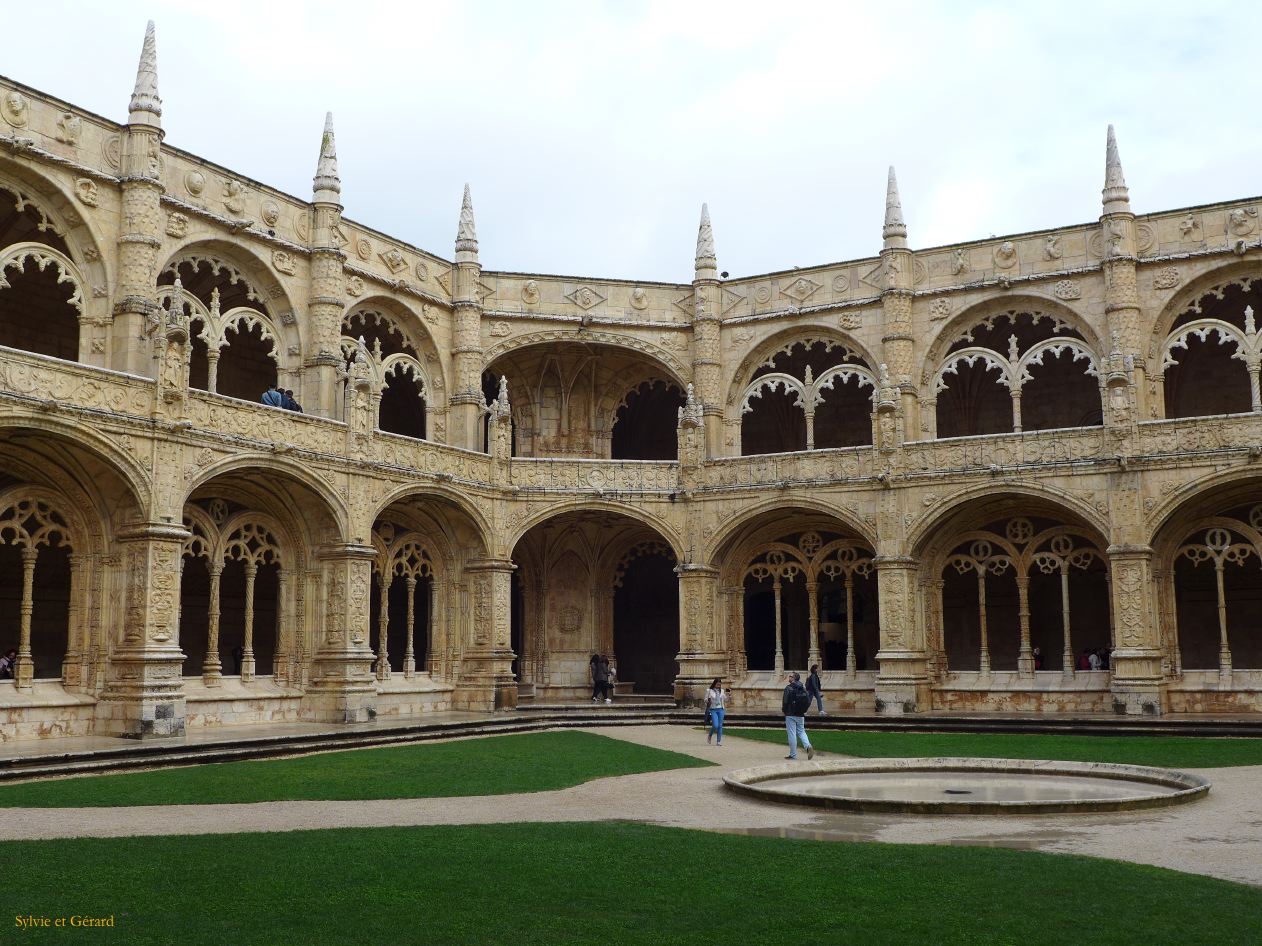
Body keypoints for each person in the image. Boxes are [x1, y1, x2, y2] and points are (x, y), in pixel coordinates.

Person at [782, 671, 814, 761]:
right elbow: (808, 701)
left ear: (794, 678)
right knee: (801, 731)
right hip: (800, 714)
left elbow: (785, 701)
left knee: (792, 733)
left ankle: (793, 755)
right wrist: (804, 710)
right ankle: (808, 746)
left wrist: (785, 711)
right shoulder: (803, 688)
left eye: (791, 676)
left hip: (790, 714)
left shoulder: (788, 688)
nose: (789, 678)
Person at [705, 677, 728, 745]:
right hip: (713, 709)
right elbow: (705, 700)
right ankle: (710, 735)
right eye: (717, 684)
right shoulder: (709, 691)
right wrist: (708, 700)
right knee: (715, 725)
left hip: (721, 709)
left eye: (719, 685)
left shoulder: (722, 691)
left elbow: (725, 699)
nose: (718, 686)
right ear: (714, 684)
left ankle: (718, 741)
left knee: (720, 726)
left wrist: (729, 696)